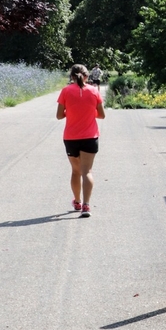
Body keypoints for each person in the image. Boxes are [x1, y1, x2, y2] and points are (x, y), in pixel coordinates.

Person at [56, 64, 105, 217]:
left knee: (76, 171)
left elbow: (59, 115)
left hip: (71, 137)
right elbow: (102, 115)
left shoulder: (66, 91)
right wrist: (89, 113)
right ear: (87, 76)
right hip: (90, 137)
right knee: (87, 171)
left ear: (71, 76)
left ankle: (77, 201)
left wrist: (70, 112)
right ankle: (86, 205)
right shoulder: (94, 91)